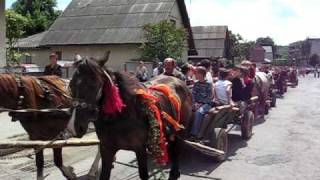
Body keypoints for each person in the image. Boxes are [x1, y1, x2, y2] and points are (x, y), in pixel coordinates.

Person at [190, 66, 214, 138]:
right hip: (197, 103)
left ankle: (194, 133)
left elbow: (210, 96)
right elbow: (193, 94)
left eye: (196, 73)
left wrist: (201, 104)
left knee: (198, 113)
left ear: (201, 74)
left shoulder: (208, 84)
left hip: (207, 104)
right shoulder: (196, 83)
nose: (195, 75)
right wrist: (194, 103)